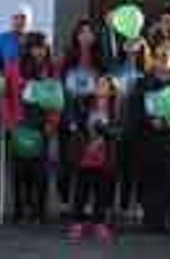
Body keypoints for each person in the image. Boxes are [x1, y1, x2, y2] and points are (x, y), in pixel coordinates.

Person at [0, 4, 32, 215]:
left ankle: (24, 203)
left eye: (24, 18)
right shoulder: (1, 39)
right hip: (2, 100)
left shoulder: (35, 40)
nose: (20, 21)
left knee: (24, 153)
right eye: (17, 18)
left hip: (27, 104)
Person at [2, 32, 60, 223]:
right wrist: (9, 122)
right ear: (28, 49)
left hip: (42, 124)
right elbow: (4, 97)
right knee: (19, 171)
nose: (39, 52)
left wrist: (52, 123)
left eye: (43, 48)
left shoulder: (52, 69)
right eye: (35, 47)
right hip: (20, 123)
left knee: (40, 171)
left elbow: (57, 100)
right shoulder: (13, 68)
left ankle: (39, 211)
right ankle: (19, 209)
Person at [130, 44, 170, 233]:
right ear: (153, 58)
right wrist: (149, 121)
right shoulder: (142, 82)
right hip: (148, 138)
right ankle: (149, 220)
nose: (164, 59)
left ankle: (164, 221)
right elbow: (135, 110)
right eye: (160, 55)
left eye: (168, 55)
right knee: (149, 180)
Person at [58, 19, 105, 215]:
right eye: (82, 32)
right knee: (68, 159)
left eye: (89, 32)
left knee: (89, 161)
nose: (85, 36)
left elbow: (103, 87)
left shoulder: (100, 59)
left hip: (92, 113)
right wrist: (68, 118)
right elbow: (61, 89)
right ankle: (66, 202)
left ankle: (85, 203)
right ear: (76, 36)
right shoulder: (67, 58)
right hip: (70, 111)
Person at [67, 76, 119, 242]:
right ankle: (77, 223)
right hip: (85, 154)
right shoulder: (84, 104)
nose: (100, 88)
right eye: (98, 84)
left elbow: (118, 130)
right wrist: (86, 139)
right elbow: (76, 123)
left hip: (105, 156)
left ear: (111, 91)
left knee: (102, 191)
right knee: (81, 190)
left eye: (105, 85)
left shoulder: (115, 108)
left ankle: (99, 223)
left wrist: (102, 136)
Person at [111, 37, 149, 222]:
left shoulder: (147, 71)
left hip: (141, 127)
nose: (132, 49)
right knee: (124, 169)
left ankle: (141, 205)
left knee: (140, 170)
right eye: (128, 44)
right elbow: (114, 96)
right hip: (122, 124)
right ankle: (124, 206)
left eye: (136, 45)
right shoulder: (117, 70)